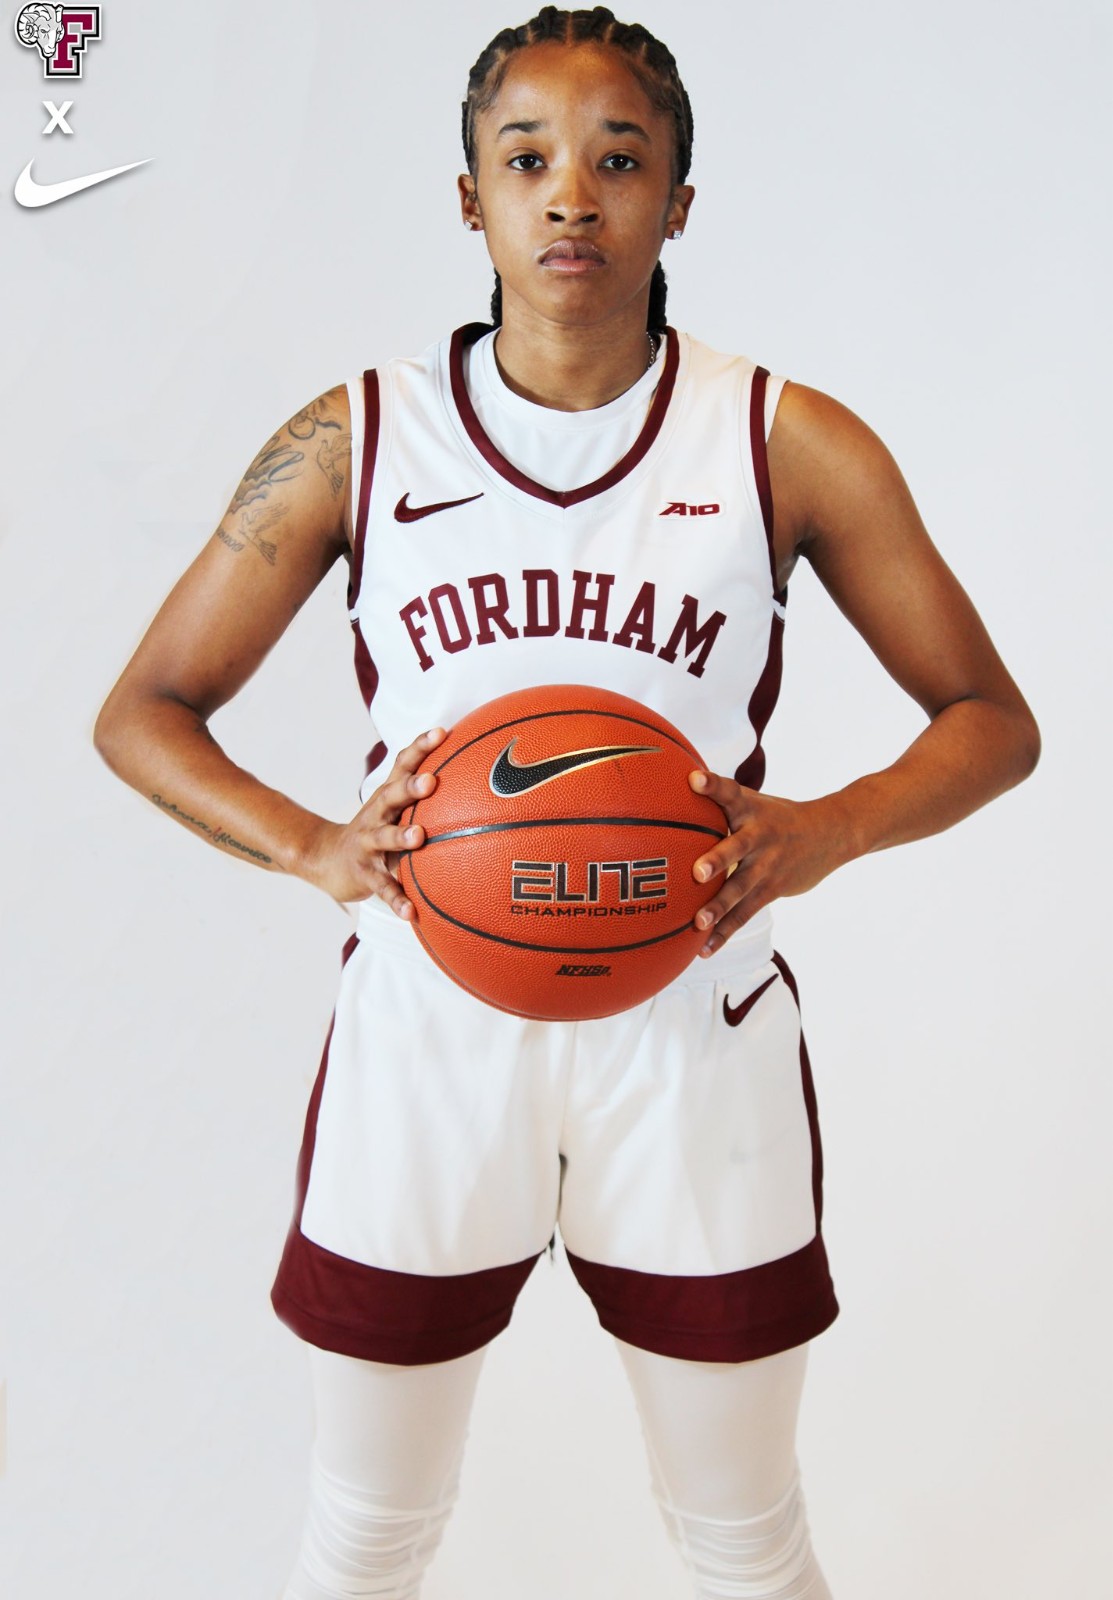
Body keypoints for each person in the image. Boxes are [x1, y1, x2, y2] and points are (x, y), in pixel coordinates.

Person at [93, 8, 1040, 1597]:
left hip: (693, 1033)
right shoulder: (350, 438)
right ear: (469, 198)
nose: (572, 197)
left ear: (680, 199)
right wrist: (317, 848)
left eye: (620, 160)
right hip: (426, 1035)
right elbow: (143, 711)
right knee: (365, 1534)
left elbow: (990, 721)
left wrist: (825, 827)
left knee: (740, 1536)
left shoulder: (784, 438)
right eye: (526, 160)